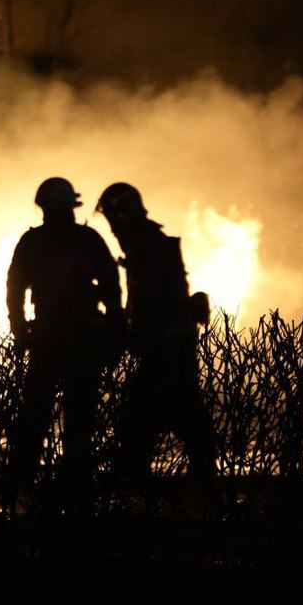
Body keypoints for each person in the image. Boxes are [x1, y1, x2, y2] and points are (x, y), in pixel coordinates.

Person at [6, 177, 123, 510]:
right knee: (79, 421)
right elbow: (111, 286)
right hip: (82, 341)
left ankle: (22, 490)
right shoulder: (87, 239)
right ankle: (76, 491)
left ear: (43, 207)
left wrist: (20, 331)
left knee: (35, 417)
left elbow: (14, 290)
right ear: (72, 206)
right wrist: (114, 327)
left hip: (48, 340)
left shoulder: (33, 242)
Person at [95, 182, 215, 484]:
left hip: (166, 340)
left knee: (147, 407)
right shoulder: (145, 242)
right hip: (170, 338)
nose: (111, 227)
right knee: (174, 404)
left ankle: (135, 474)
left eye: (111, 217)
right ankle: (198, 469)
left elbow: (151, 298)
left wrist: (131, 331)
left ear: (121, 215)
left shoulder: (145, 245)